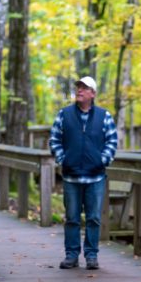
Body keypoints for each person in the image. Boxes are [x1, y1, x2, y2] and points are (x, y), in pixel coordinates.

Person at [48, 76, 118, 270]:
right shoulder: (64, 114)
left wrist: (101, 161)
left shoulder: (104, 116)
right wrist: (64, 159)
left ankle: (91, 255)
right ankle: (71, 255)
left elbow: (112, 143)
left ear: (92, 94)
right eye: (78, 87)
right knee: (72, 217)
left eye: (84, 88)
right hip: (71, 176)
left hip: (95, 177)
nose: (79, 90)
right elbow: (54, 140)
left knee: (94, 217)